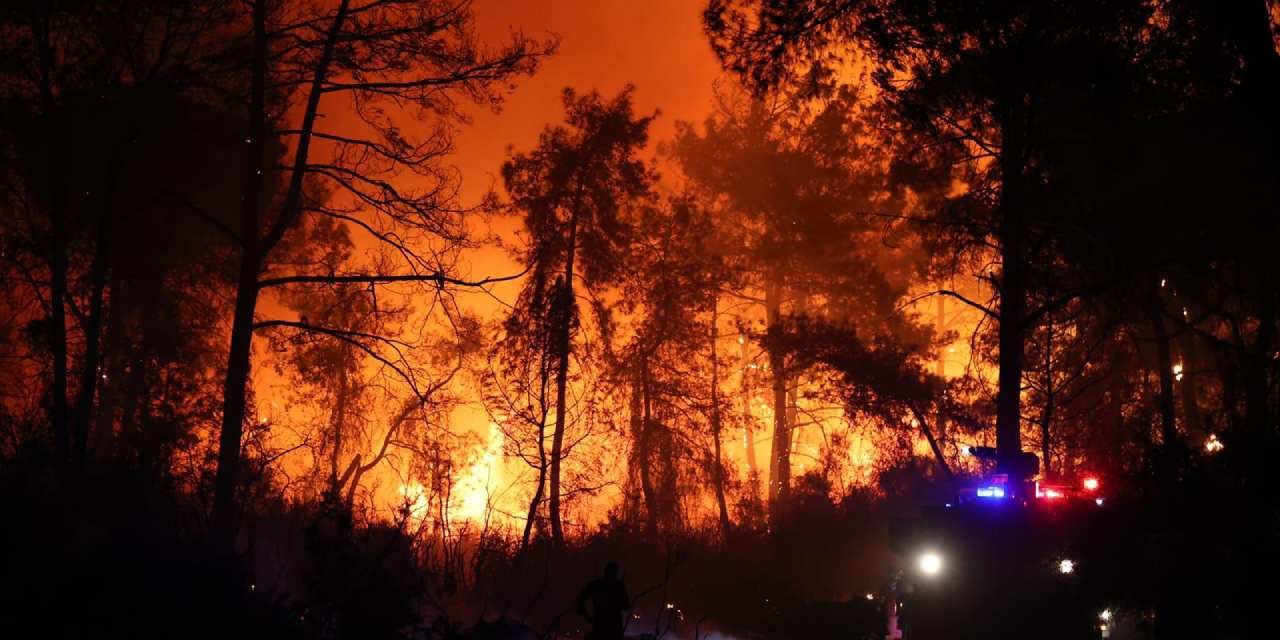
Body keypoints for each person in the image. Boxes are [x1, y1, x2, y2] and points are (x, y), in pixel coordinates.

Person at [576, 562, 631, 640]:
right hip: (614, 627)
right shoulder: (619, 587)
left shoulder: (595, 585)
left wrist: (587, 617)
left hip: (600, 625)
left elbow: (580, 601)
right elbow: (626, 606)